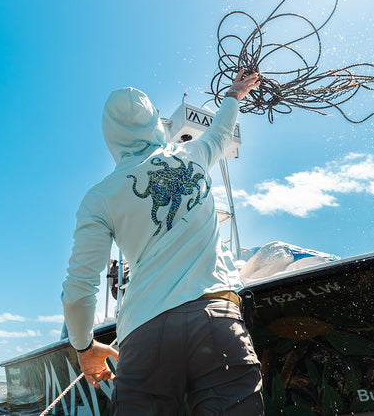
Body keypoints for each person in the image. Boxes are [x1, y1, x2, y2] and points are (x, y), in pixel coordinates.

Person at [61, 70, 263, 415]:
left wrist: (84, 348)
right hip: (216, 320)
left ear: (110, 135)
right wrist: (233, 94)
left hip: (144, 334)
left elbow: (79, 289)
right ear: (156, 121)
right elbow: (221, 130)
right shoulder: (194, 154)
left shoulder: (99, 198)